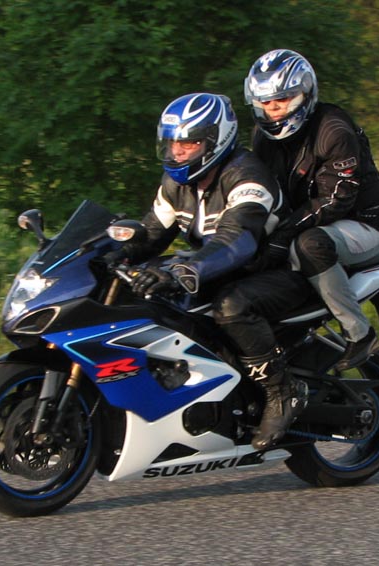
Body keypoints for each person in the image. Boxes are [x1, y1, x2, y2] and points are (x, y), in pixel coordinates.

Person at [109, 92, 311, 449]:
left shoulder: (247, 177)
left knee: (231, 306)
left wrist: (184, 269)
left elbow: (237, 241)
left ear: (216, 141)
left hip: (280, 271)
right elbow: (152, 233)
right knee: (149, 294)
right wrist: (107, 254)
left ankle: (282, 391)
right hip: (223, 269)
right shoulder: (176, 184)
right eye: (173, 143)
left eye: (189, 143)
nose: (178, 152)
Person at [243, 49, 379, 371]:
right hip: (308, 219)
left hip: (362, 222)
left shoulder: (333, 131)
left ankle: (359, 333)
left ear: (305, 93)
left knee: (309, 245)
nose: (273, 109)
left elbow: (336, 199)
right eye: (265, 102)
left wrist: (283, 233)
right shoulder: (262, 137)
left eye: (282, 99)